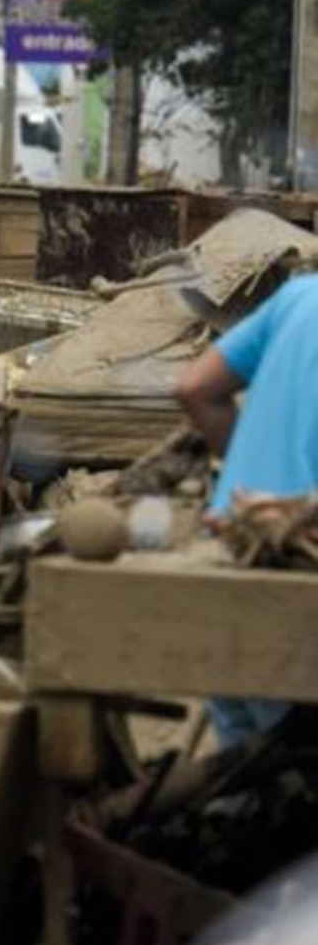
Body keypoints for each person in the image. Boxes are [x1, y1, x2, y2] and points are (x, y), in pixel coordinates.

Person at [175, 273, 318, 747]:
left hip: (229, 557)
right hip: (297, 581)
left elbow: (195, 388)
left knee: (242, 771)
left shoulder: (302, 295)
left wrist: (247, 477)